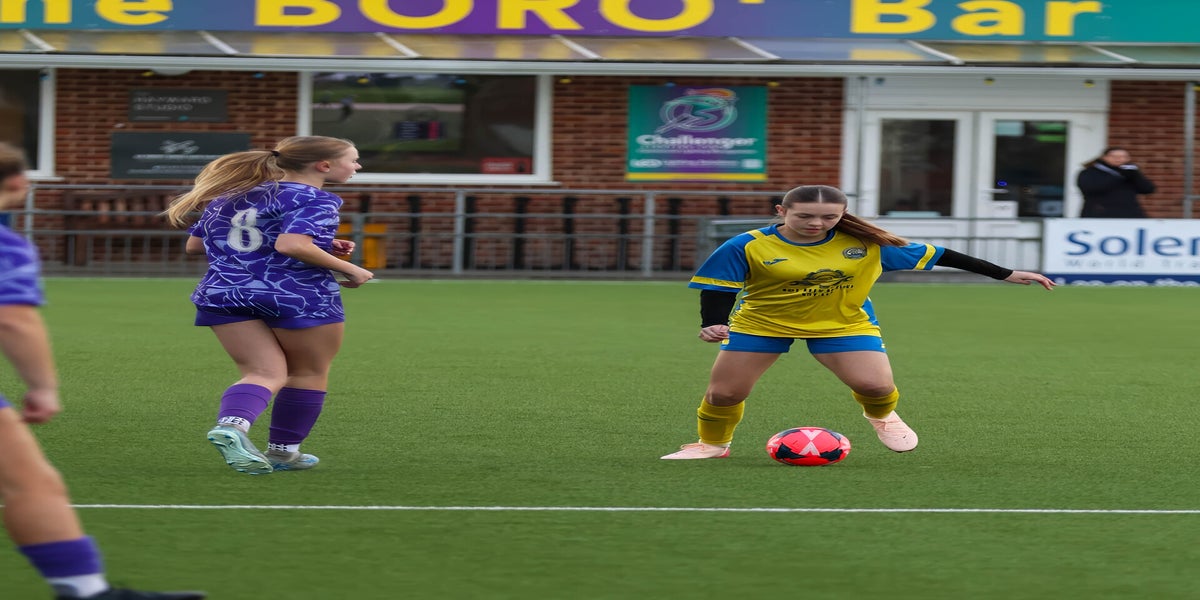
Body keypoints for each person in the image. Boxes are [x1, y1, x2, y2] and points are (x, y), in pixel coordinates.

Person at [661, 185, 1055, 460]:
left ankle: (882, 417)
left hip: (843, 324)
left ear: (843, 214)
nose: (816, 224)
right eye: (805, 216)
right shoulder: (748, 244)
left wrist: (1006, 273)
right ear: (781, 211)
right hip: (762, 323)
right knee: (724, 394)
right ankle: (712, 444)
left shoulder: (866, 244)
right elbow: (717, 287)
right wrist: (713, 322)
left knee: (875, 386)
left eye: (829, 217)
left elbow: (942, 255)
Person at [0, 143, 205, 599]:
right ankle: (86, 591)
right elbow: (13, 320)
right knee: (29, 484)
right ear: (17, 183)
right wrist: (42, 387)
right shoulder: (6, 246)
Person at [164, 135, 374, 475]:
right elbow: (292, 245)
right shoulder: (317, 198)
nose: (357, 166)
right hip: (294, 295)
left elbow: (195, 245)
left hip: (224, 293)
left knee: (263, 373)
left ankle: (233, 425)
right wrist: (350, 269)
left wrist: (321, 243)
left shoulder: (232, 194)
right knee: (307, 372)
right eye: (353, 159)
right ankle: (283, 452)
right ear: (324, 165)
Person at [1076, 147, 1155, 218]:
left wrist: (1136, 176)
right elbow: (1091, 188)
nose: (1119, 159)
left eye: (1123, 157)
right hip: (1099, 213)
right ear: (1104, 157)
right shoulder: (1090, 172)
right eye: (1114, 156)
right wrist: (1119, 177)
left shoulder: (1130, 172)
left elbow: (1148, 189)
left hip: (1129, 214)